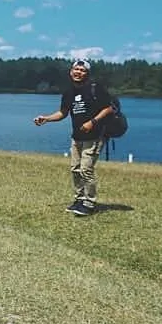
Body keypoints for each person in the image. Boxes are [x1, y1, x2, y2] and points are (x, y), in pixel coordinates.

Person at [33, 59, 115, 216]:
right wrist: (46, 119)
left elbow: (108, 108)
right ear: (71, 72)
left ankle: (89, 203)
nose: (78, 72)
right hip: (77, 136)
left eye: (82, 70)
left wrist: (92, 122)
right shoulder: (69, 92)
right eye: (76, 69)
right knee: (75, 169)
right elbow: (63, 113)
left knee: (86, 169)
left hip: (95, 136)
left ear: (87, 74)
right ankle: (79, 199)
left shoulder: (95, 88)